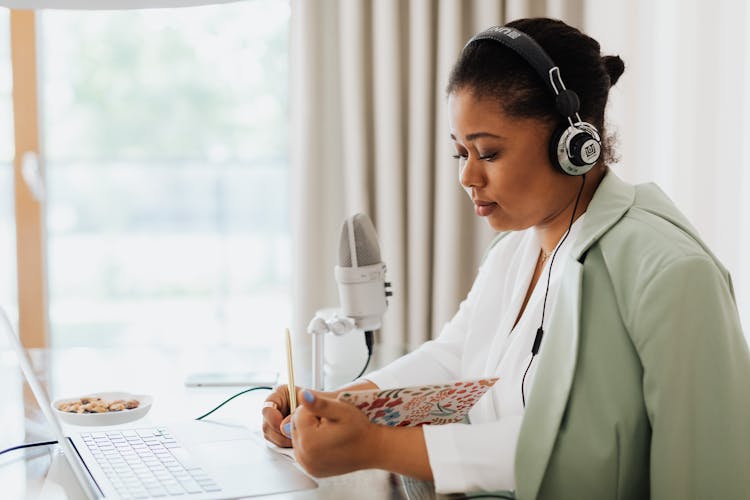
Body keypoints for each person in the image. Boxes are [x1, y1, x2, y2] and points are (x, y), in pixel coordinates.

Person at [262, 17, 750, 499]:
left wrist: (377, 445)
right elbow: (454, 359)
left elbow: (569, 448)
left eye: (488, 154)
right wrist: (334, 405)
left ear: (573, 147)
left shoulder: (670, 274)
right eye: (460, 153)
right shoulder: (515, 248)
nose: (467, 177)